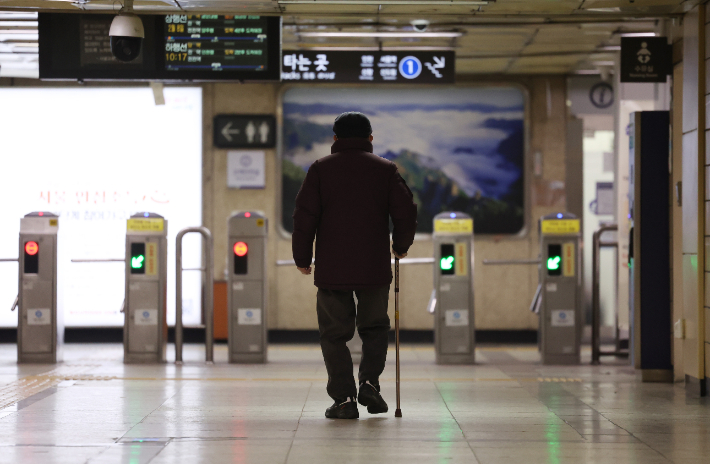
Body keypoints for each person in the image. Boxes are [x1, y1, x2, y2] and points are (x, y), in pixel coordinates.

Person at [292, 112, 418, 419]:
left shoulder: (320, 169)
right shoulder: (385, 170)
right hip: (373, 268)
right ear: (370, 139)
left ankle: (344, 399)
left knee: (335, 334)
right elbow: (406, 212)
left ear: (334, 139)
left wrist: (302, 257)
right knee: (375, 328)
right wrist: (400, 247)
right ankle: (370, 383)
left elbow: (304, 216)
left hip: (332, 269)